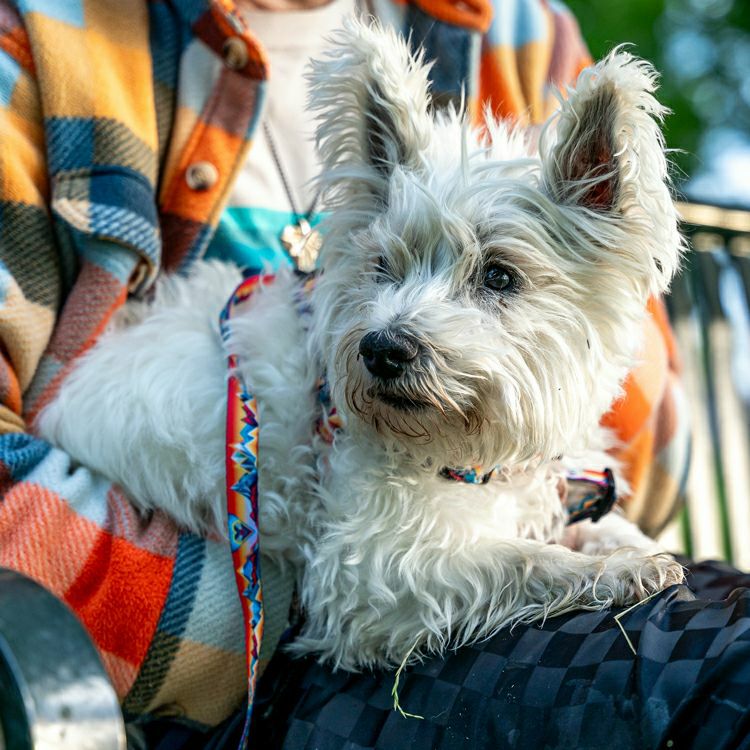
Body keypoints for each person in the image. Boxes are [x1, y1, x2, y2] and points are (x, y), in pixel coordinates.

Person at [0, 0, 689, 744]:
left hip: (394, 591)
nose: (391, 330)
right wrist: (571, 571)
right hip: (228, 661)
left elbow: (652, 460)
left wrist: (582, 513)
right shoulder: (56, 34)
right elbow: (368, 598)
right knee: (676, 677)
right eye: (384, 268)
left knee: (704, 652)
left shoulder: (519, 28)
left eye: (495, 277)